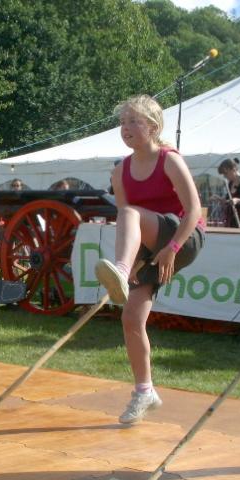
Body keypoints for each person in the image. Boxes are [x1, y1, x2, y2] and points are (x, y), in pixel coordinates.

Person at [93, 95, 205, 424]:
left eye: (133, 121)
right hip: (150, 242)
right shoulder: (120, 171)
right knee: (131, 318)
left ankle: (121, 269)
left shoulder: (169, 160)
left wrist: (171, 247)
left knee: (128, 212)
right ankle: (145, 391)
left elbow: (195, 209)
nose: (125, 128)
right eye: (122, 122)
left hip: (183, 237)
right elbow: (132, 226)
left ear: (153, 127)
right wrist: (145, 256)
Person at [217, 158, 240, 228]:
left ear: (234, 169)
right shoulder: (230, 184)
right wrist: (220, 199)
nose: (224, 176)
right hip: (232, 221)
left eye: (226, 173)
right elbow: (229, 201)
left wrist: (238, 201)